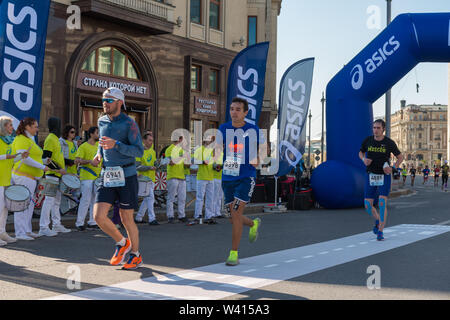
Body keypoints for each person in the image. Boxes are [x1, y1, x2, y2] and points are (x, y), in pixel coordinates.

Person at [92, 87, 144, 270]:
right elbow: (102, 143)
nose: (105, 103)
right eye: (103, 100)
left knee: (126, 218)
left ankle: (136, 255)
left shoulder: (129, 123)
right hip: (107, 174)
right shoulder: (101, 121)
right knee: (98, 216)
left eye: (109, 100)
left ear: (120, 102)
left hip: (127, 175)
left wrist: (118, 145)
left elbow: (138, 151)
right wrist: (99, 154)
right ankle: (122, 242)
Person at [218, 97, 263, 266]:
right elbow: (217, 148)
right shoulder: (223, 128)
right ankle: (253, 223)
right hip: (228, 173)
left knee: (236, 214)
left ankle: (233, 253)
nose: (234, 112)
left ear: (245, 112)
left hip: (246, 175)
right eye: (231, 109)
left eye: (238, 109)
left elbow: (262, 150)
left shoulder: (253, 129)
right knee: (232, 217)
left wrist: (258, 157)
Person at [359, 119, 403, 241]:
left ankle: (380, 231)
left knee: (382, 203)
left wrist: (393, 167)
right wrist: (363, 160)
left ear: (383, 129)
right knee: (368, 205)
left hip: (384, 175)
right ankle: (378, 220)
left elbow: (400, 157)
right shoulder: (368, 140)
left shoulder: (389, 143)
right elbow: (360, 152)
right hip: (371, 175)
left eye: (378, 128)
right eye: (374, 127)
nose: (375, 130)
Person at [12, 118, 52, 240]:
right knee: (22, 205)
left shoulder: (30, 140)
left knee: (28, 205)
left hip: (30, 178)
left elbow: (33, 158)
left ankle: (27, 230)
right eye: (35, 126)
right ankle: (20, 232)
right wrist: (42, 166)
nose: (37, 129)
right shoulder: (21, 139)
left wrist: (44, 161)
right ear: (27, 127)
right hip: (23, 176)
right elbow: (24, 158)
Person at [38, 117, 70, 237]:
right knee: (49, 201)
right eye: (58, 124)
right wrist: (58, 168)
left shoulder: (55, 139)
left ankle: (56, 224)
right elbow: (46, 159)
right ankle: (43, 227)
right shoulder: (51, 138)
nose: (60, 126)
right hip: (52, 174)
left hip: (56, 175)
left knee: (56, 201)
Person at [0, 116, 29, 245]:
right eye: (10, 125)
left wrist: (21, 157)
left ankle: (2, 232)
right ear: (3, 126)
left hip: (6, 178)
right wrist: (6, 156)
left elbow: (12, 160)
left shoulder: (9, 142)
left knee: (5, 208)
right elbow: (6, 157)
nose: (12, 128)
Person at [75, 126, 101, 231]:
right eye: (97, 133)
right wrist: (90, 162)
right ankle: (79, 222)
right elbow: (77, 160)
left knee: (95, 200)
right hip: (86, 176)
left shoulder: (99, 146)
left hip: (97, 176)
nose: (99, 135)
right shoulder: (83, 146)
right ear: (91, 134)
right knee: (85, 199)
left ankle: (92, 221)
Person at [135, 131, 158, 225]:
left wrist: (158, 164)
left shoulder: (153, 151)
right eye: (149, 140)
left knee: (147, 199)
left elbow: (154, 162)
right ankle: (152, 219)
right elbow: (137, 166)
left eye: (152, 140)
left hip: (151, 178)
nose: (151, 142)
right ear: (143, 140)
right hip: (143, 179)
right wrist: (149, 167)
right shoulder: (139, 152)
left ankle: (138, 217)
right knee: (150, 198)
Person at [165, 135, 189, 224]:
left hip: (182, 176)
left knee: (182, 198)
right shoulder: (169, 149)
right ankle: (170, 216)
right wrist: (181, 157)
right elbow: (170, 162)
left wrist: (189, 164)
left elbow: (185, 164)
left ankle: (181, 215)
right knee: (171, 197)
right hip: (172, 176)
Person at [193, 138, 215, 224]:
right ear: (204, 140)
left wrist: (216, 166)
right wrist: (202, 162)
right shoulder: (199, 149)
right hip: (202, 177)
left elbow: (212, 162)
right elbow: (194, 160)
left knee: (210, 198)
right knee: (200, 197)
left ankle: (208, 216)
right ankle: (197, 216)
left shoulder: (211, 150)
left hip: (210, 176)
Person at [212, 139, 224, 218]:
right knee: (214, 196)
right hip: (215, 177)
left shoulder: (223, 154)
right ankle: (212, 212)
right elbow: (213, 165)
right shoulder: (214, 154)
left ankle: (217, 212)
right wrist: (217, 167)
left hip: (222, 178)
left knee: (220, 196)